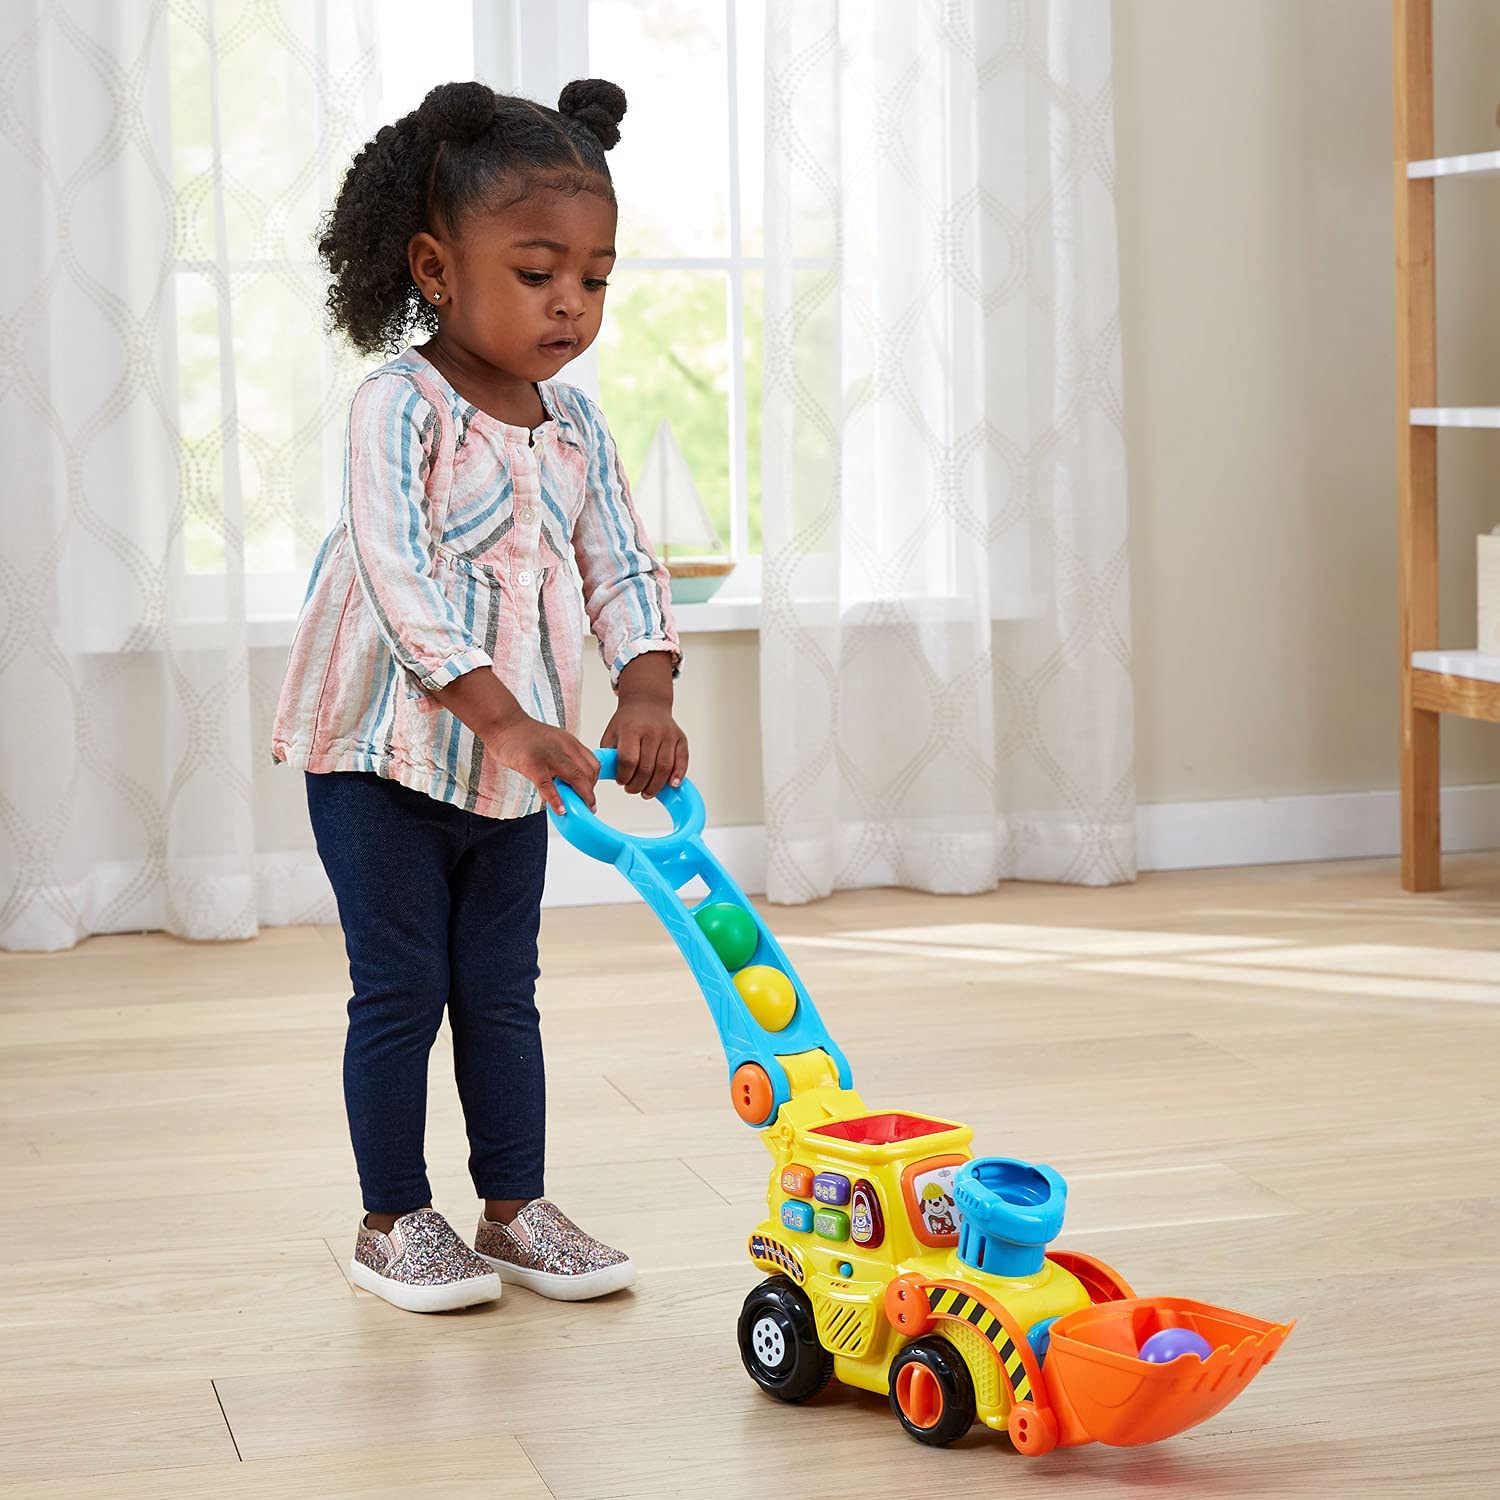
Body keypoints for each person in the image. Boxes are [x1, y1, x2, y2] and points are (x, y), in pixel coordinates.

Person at [271, 78, 685, 1313]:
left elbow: (623, 564)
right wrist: (503, 719)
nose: (571, 304)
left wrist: (646, 690)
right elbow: (397, 575)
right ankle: (393, 1218)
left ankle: (515, 1208)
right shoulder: (396, 408)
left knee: (502, 991)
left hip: (512, 774)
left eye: (594, 279)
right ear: (436, 271)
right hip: (381, 756)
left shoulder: (577, 429)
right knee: (402, 986)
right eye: (538, 272)